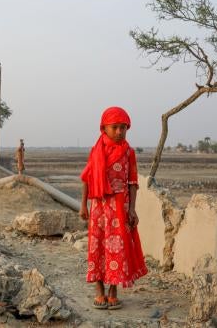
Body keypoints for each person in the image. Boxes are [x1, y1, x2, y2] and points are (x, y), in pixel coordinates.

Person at [79, 107, 147, 310]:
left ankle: (113, 290)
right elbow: (87, 179)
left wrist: (132, 209)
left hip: (120, 206)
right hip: (99, 206)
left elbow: (132, 182)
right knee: (98, 246)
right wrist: (83, 205)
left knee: (117, 248)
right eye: (114, 127)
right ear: (104, 128)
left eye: (123, 127)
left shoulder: (129, 152)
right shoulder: (96, 151)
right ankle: (99, 289)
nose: (119, 131)